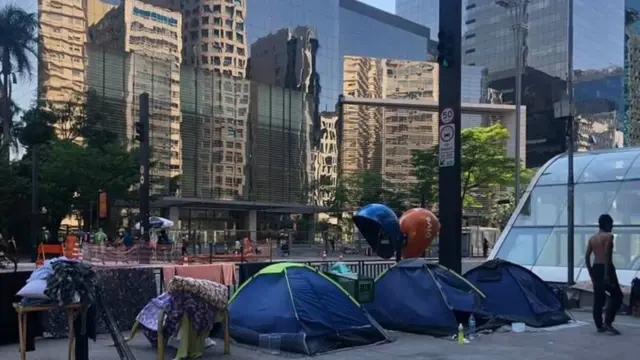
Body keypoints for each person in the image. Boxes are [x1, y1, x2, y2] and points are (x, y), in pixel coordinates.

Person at [585, 214, 623, 335]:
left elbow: (587, 256)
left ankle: (599, 325)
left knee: (598, 297)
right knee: (617, 295)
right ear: (606, 224)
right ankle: (608, 322)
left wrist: (590, 271)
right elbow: (607, 255)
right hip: (606, 268)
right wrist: (607, 274)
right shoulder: (609, 237)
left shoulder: (592, 239)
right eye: (611, 224)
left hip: (596, 268)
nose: (612, 227)